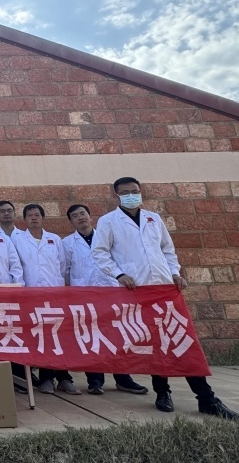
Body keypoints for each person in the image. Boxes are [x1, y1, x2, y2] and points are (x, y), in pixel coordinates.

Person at [92, 177, 239, 419]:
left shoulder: (153, 218)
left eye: (135, 191)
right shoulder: (108, 221)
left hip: (164, 289)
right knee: (155, 344)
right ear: (116, 195)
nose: (131, 195)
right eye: (125, 192)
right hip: (138, 292)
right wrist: (119, 274)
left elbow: (167, 249)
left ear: (141, 192)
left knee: (183, 341)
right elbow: (99, 253)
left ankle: (206, 398)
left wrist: (175, 273)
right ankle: (163, 392)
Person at [63, 204, 148, 396]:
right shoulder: (67, 243)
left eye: (83, 213)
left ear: (90, 216)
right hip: (84, 296)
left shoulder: (107, 236)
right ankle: (95, 380)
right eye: (75, 216)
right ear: (70, 222)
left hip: (110, 293)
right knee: (90, 338)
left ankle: (123, 379)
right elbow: (65, 271)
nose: (80, 218)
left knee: (117, 336)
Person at [13, 203, 80, 396]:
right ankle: (46, 378)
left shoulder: (54, 239)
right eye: (30, 215)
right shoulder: (17, 240)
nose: (34, 218)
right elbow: (17, 267)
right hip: (32, 296)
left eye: (37, 215)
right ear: (24, 219)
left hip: (54, 294)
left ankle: (64, 378)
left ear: (43, 218)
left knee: (59, 337)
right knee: (41, 338)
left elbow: (62, 266)